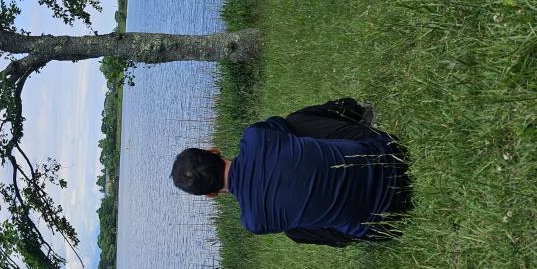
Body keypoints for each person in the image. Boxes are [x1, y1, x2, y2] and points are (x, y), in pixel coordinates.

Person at [171, 98, 412, 245]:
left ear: (211, 195)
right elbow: (285, 129)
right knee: (295, 123)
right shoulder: (254, 137)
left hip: (389, 216)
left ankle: (362, 231)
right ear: (213, 151)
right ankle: (354, 110)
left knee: (295, 230)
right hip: (389, 153)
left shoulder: (255, 221)